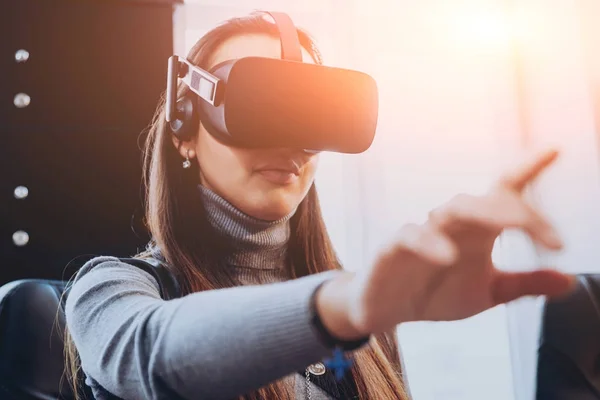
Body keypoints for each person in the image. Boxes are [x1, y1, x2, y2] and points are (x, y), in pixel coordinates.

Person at [64, 11, 575, 400]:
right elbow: (150, 355)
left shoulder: (363, 306)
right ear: (185, 134)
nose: (292, 143)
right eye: (258, 107)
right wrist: (344, 306)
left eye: (311, 115)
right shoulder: (111, 288)